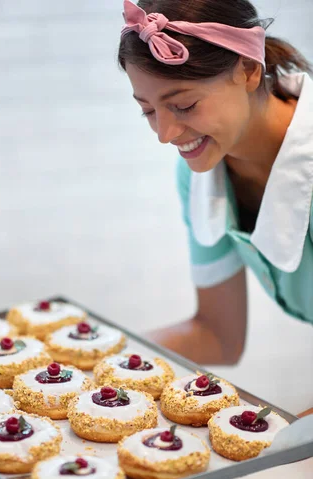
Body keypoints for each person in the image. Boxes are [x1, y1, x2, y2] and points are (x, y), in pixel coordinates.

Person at [118, 0, 313, 400]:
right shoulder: (204, 170)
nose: (165, 134)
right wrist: (99, 358)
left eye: (184, 105)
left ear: (248, 70)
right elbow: (217, 334)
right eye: (148, 111)